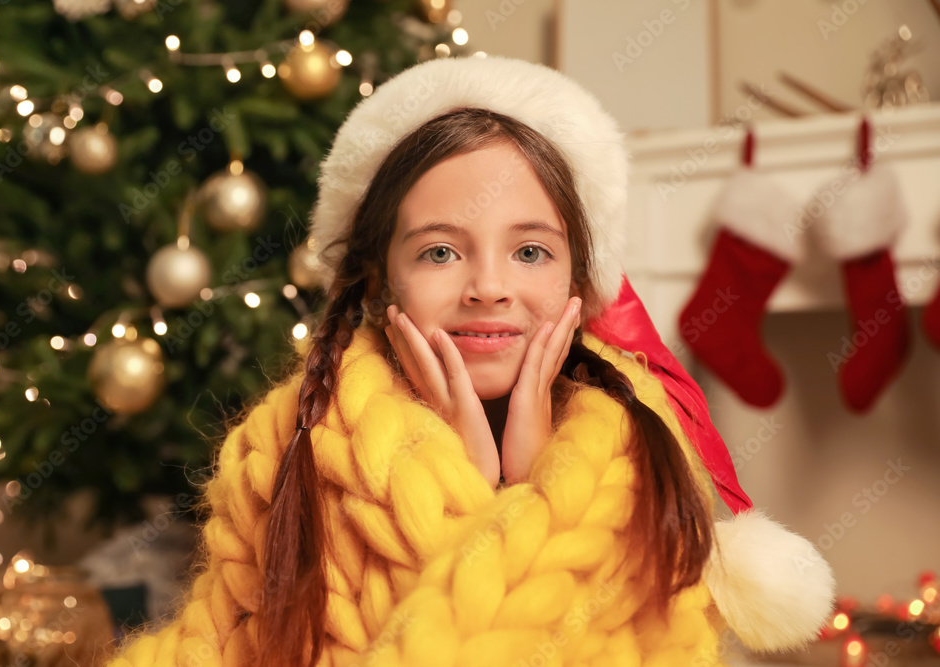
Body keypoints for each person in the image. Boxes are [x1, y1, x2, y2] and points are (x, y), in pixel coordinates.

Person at [104, 55, 834, 667]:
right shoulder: (282, 451)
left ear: (577, 281)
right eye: (441, 251)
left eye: (530, 251)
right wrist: (470, 480)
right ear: (378, 276)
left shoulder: (650, 466)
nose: (488, 286)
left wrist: (527, 486)